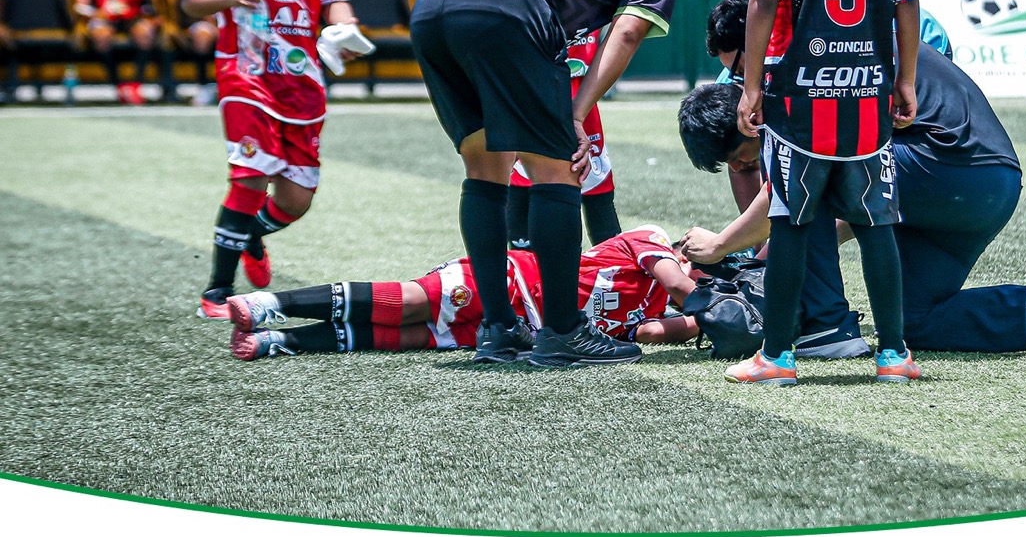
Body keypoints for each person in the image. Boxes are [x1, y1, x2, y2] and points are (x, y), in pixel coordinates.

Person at [409, 0, 712, 369]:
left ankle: (498, 329)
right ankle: (563, 331)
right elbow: (627, 31)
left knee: (484, 168)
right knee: (559, 168)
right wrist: (575, 114)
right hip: (505, 0)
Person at [678, 40, 1026, 359]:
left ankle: (830, 328)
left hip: (949, 169)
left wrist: (720, 245)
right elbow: (852, 211)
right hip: (979, 188)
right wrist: (779, 252)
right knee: (913, 320)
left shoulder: (802, 76)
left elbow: (801, 190)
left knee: (813, 171)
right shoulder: (830, 49)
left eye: (737, 158)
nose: (742, 167)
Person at [729, 0, 931, 386]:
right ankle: (893, 355)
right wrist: (905, 80)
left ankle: (777, 357)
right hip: (869, 89)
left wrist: (752, 86)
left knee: (791, 219)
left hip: (802, 94)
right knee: (876, 219)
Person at [180, 0, 364, 319]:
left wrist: (343, 29)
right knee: (250, 175)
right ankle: (217, 291)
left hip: (301, 81)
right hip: (246, 74)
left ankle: (251, 235)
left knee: (296, 200)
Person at [697, 0, 867, 359]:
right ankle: (879, 336)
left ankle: (829, 328)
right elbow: (744, 159)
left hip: (910, 148)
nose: (738, 80)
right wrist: (760, 249)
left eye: (740, 68)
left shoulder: (821, 52)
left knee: (815, 188)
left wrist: (726, 245)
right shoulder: (748, 77)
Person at [224, 225, 699, 359]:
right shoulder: (653, 241)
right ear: (683, 251)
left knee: (409, 338)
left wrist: (702, 324)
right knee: (407, 303)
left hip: (521, 331)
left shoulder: (655, 309)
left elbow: (653, 334)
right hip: (510, 281)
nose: (697, 282)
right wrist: (710, 304)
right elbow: (679, 282)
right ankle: (269, 304)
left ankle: (279, 341)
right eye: (700, 271)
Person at [504, 0, 621, 249]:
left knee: (596, 182)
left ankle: (615, 268)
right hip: (531, 93)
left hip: (581, 93)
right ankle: (518, 274)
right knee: (525, 181)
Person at [74, 0, 164, 105]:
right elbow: (82, 11)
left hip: (131, 19)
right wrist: (97, 14)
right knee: (101, 35)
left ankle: (136, 83)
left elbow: (149, 10)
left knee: (145, 32)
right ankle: (118, 85)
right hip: (103, 20)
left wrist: (153, 21)